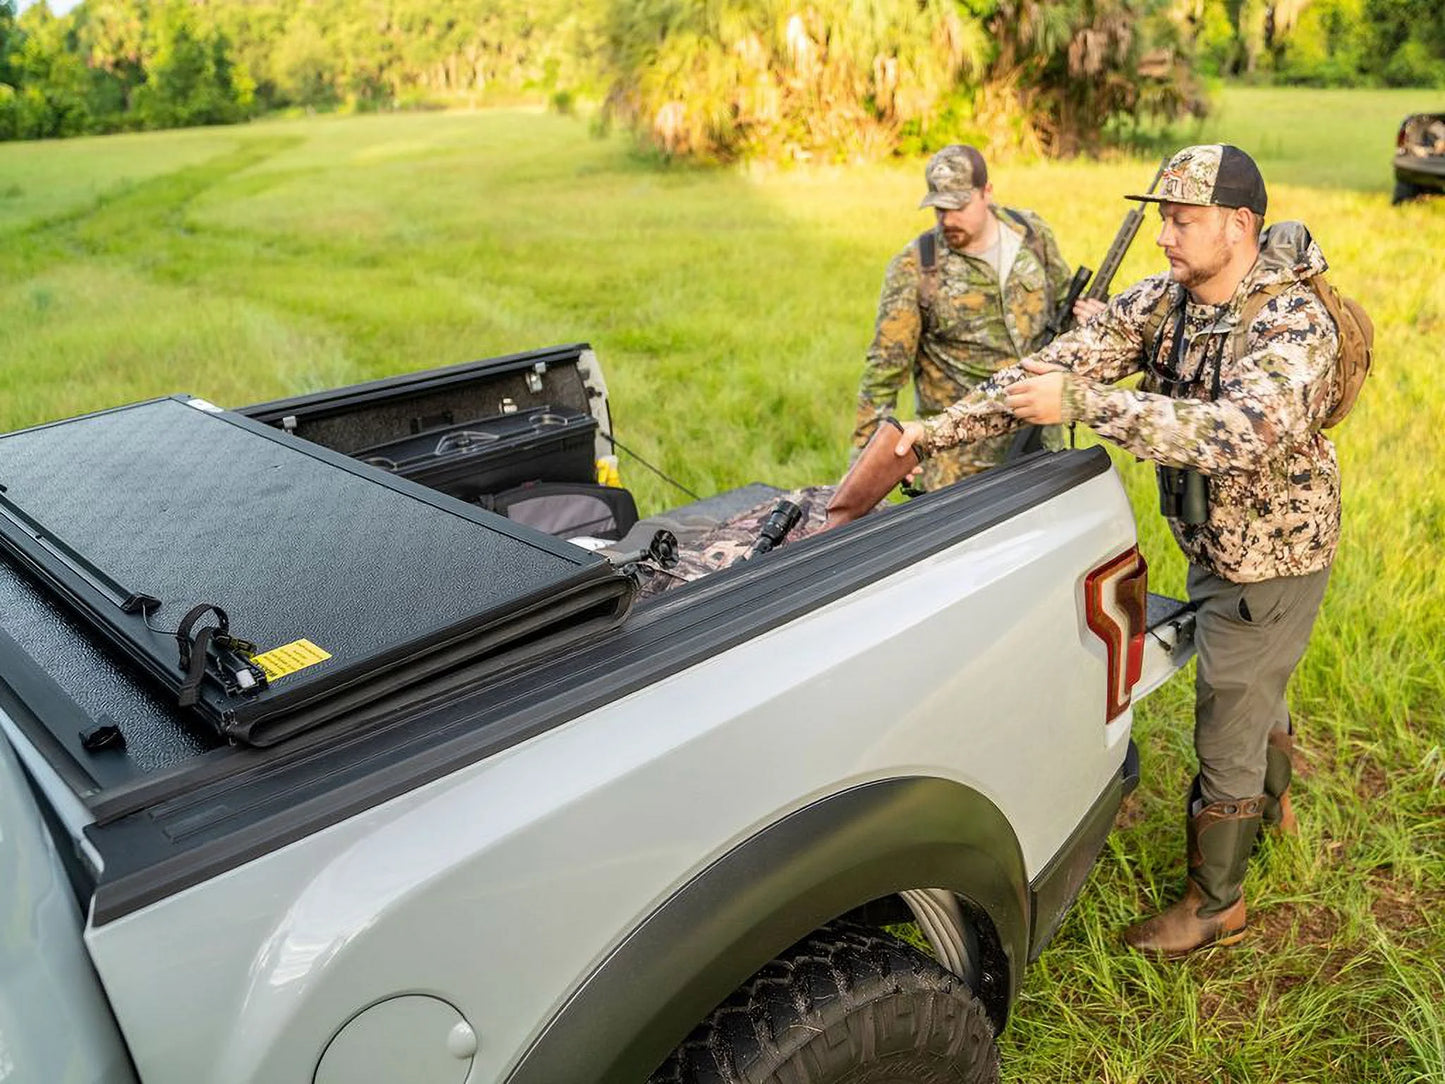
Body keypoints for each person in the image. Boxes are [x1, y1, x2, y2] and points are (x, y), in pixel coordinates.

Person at [893, 144, 1342, 958]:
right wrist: (926, 436)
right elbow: (1051, 371)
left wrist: (1092, 404)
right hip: (1215, 540)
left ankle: (1214, 905)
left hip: (1275, 554)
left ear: (1237, 224)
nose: (1164, 237)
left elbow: (1240, 434)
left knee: (1226, 718)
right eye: (1161, 218)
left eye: (1182, 219)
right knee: (1255, 682)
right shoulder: (1167, 302)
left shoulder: (1292, 322)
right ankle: (1277, 803)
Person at [851, 144, 1099, 491]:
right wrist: (869, 463)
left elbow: (1062, 305)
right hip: (956, 463)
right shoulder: (916, 267)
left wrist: (1090, 317)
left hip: (1039, 442)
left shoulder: (1031, 233)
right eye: (939, 208)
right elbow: (883, 370)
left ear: (987, 193)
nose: (948, 219)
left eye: (959, 206)